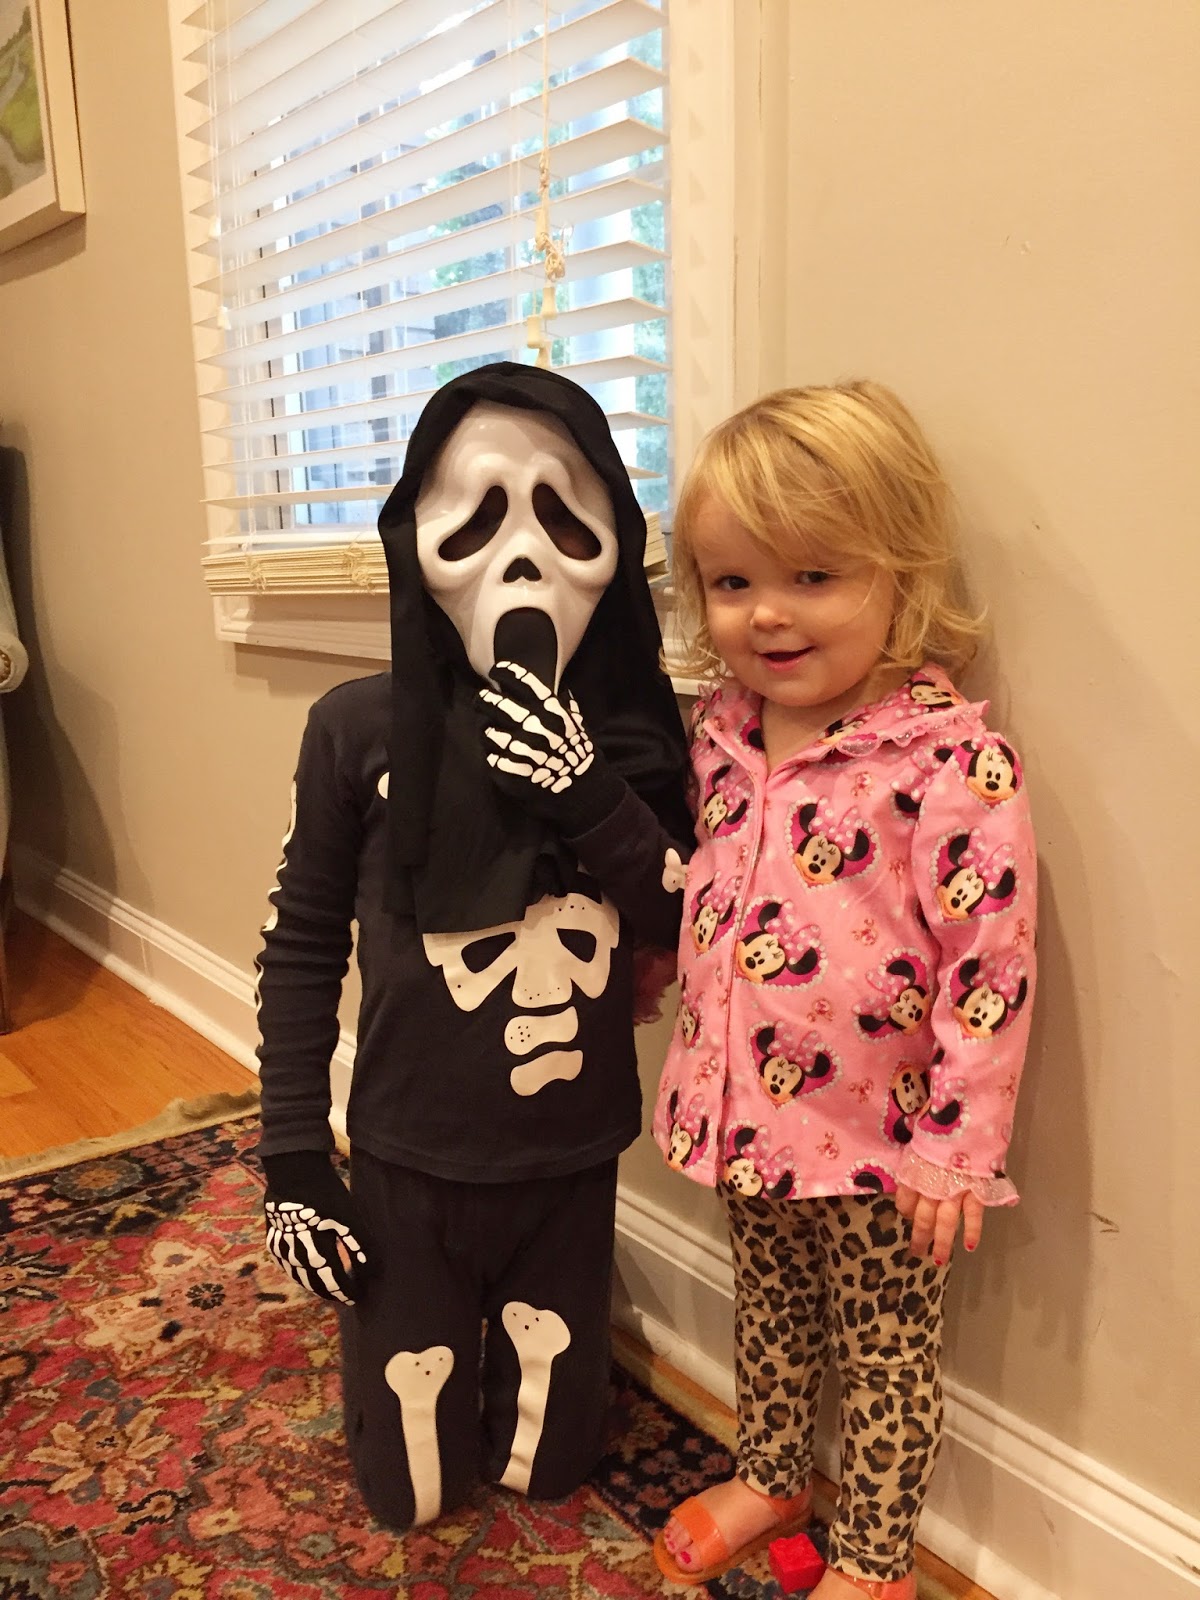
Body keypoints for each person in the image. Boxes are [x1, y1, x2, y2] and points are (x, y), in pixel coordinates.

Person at [255, 362, 692, 1531]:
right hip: (410, 1158)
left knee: (552, 1461)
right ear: (418, 542)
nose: (524, 561)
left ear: (615, 546)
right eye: (478, 518)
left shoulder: (641, 738)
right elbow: (301, 942)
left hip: (572, 1158)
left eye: (564, 521)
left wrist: (589, 792)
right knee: (409, 1481)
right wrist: (294, 1156)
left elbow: (687, 917)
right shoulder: (356, 731)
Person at [651, 381, 1037, 1599]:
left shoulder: (946, 758)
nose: (767, 611)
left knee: (883, 1353)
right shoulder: (720, 732)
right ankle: (772, 1472)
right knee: (766, 1308)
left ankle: (874, 1560)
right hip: (742, 1110)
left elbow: (992, 965)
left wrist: (958, 1146)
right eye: (732, 580)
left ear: (899, 573)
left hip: (882, 1143)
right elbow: (712, 885)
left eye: (813, 575)